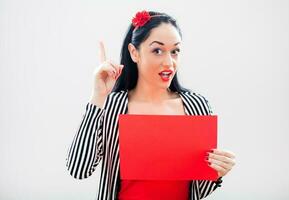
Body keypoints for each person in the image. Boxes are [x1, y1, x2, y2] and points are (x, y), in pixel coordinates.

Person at [66, 10, 236, 200]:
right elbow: (78, 169)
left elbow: (197, 191)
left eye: (175, 51)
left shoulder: (196, 106)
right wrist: (98, 97)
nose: (169, 62)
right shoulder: (113, 106)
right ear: (134, 52)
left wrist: (216, 173)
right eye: (157, 50)